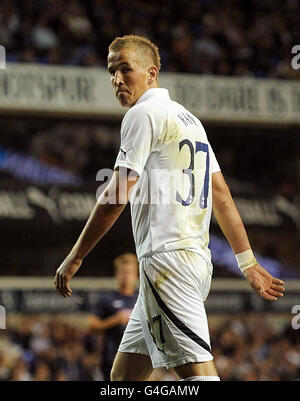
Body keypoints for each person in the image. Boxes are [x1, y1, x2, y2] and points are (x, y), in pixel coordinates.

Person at [54, 34, 285, 381]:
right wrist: (247, 261)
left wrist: (76, 256)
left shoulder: (142, 114)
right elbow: (220, 193)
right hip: (192, 262)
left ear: (152, 72)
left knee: (200, 378)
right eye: (111, 72)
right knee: (123, 379)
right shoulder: (189, 120)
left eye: (125, 69)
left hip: (167, 263)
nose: (117, 79)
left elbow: (116, 194)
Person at [87, 252, 138, 381]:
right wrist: (116, 320)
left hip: (137, 357)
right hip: (111, 358)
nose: (126, 276)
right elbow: (92, 325)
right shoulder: (106, 298)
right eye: (123, 272)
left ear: (136, 275)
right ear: (117, 275)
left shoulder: (142, 299)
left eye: (129, 272)